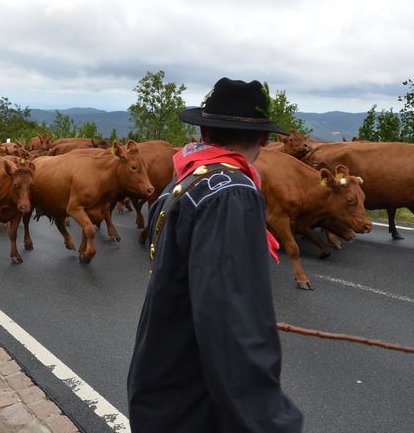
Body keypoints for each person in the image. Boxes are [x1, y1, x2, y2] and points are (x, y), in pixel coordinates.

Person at [127, 78, 303, 432]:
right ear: (264, 140)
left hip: (163, 384)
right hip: (195, 403)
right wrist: (271, 422)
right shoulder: (232, 194)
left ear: (204, 132)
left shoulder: (184, 183)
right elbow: (231, 325)